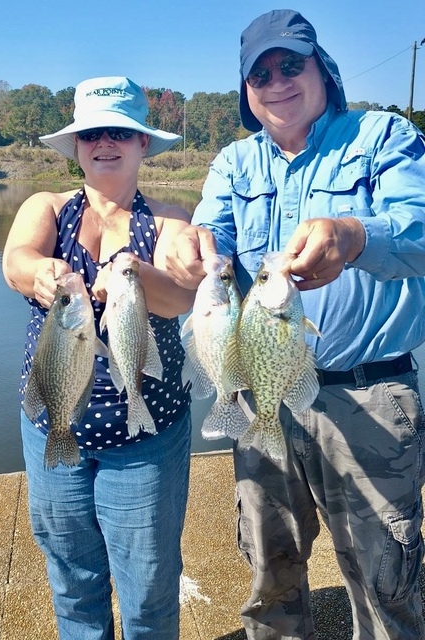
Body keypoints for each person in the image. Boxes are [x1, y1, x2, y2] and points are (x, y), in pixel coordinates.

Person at [166, 9, 425, 640]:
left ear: (323, 72)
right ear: (246, 92)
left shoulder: (382, 137)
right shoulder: (234, 162)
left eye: (291, 64)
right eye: (260, 73)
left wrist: (354, 233)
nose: (276, 81)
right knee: (268, 572)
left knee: (384, 577)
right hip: (262, 393)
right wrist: (189, 243)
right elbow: (213, 237)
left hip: (369, 390)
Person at [2, 76, 195, 640]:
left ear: (141, 145)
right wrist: (44, 275)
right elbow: (15, 259)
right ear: (77, 147)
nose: (104, 142)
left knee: (149, 590)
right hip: (53, 421)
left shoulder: (167, 218)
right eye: (91, 134)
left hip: (146, 433)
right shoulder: (48, 207)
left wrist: (134, 275)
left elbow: (183, 296)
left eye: (120, 132)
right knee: (73, 583)